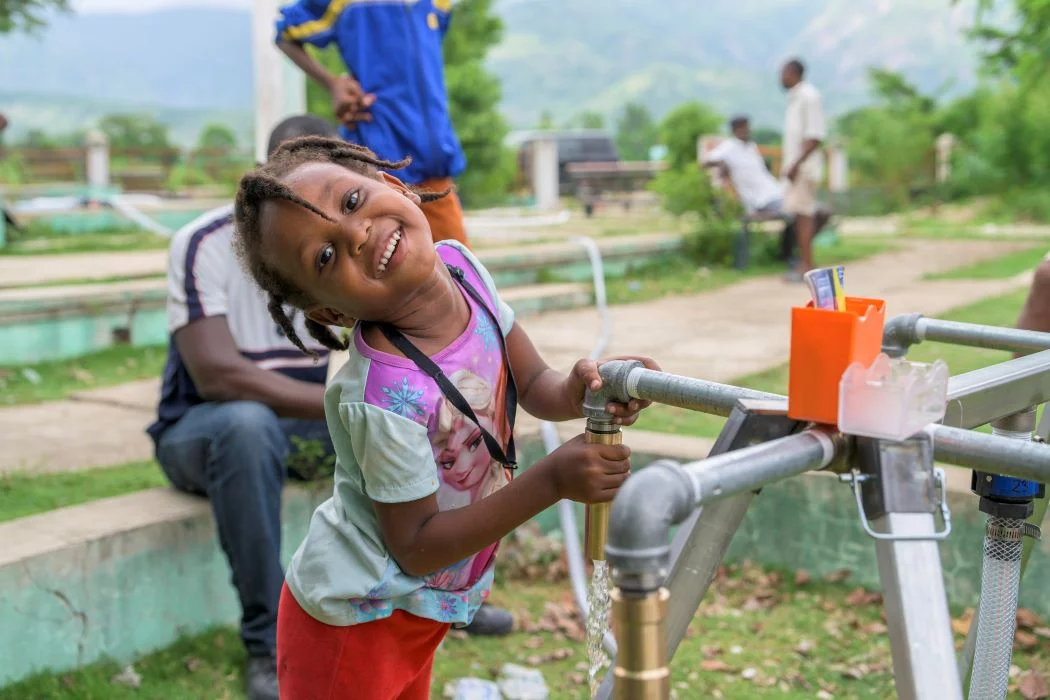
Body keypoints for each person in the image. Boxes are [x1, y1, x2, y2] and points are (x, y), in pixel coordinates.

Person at [230, 135, 659, 699]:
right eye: (326, 257)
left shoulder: (462, 269)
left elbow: (531, 383)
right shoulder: (382, 396)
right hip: (354, 618)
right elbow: (418, 543)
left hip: (420, 605)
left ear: (391, 184)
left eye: (353, 202)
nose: (356, 234)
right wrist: (552, 479)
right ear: (331, 311)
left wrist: (583, 391)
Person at [146, 115, 352, 700]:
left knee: (414, 419)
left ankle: (434, 601)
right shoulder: (203, 242)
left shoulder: (346, 251)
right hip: (203, 434)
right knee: (245, 423)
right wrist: (344, 409)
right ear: (267, 175)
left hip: (303, 428)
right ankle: (268, 643)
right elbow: (216, 376)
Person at [275, 0, 470, 247]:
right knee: (388, 263)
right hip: (379, 165)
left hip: (435, 167)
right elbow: (285, 35)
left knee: (456, 270)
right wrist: (334, 84)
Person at [702, 115, 831, 265]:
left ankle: (792, 249)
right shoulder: (729, 147)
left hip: (776, 192)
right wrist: (721, 164)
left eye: (747, 127)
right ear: (734, 129)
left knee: (822, 212)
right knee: (800, 212)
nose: (746, 130)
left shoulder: (751, 147)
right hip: (760, 200)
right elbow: (705, 161)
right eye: (742, 127)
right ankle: (788, 254)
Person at [779, 58, 827, 280]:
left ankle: (807, 266)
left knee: (804, 216)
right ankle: (805, 263)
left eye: (783, 73)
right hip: (797, 167)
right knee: (801, 216)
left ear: (793, 72)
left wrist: (795, 165)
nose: (781, 78)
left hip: (803, 169)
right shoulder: (795, 98)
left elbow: (814, 136)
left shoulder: (809, 96)